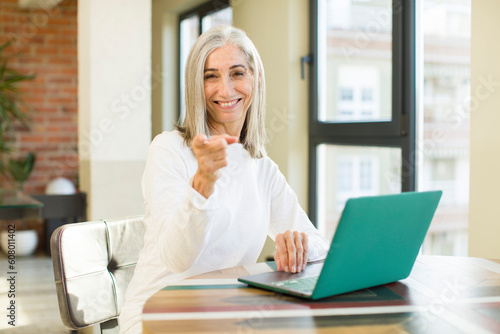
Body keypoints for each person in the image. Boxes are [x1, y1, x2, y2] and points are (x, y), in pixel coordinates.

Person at [119, 25, 330, 334]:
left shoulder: (262, 168)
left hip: (223, 314)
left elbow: (320, 245)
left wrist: (301, 247)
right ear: (196, 85)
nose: (226, 90)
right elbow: (177, 260)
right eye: (211, 76)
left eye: (237, 73)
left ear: (255, 79)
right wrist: (203, 182)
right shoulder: (168, 150)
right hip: (157, 315)